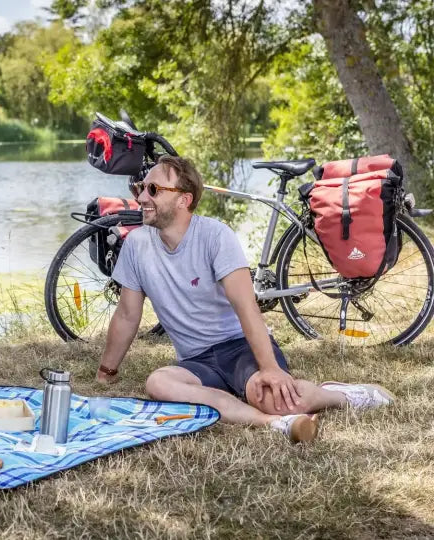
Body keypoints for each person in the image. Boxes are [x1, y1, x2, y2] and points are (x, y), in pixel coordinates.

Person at [95, 156, 393, 442]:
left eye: (153, 190)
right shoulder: (136, 244)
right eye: (139, 188)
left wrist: (270, 368)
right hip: (196, 361)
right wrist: (106, 372)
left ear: (183, 199)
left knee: (279, 399)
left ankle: (340, 395)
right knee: (157, 383)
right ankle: (273, 424)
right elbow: (127, 315)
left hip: (240, 348)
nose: (142, 197)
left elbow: (246, 307)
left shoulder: (215, 236)